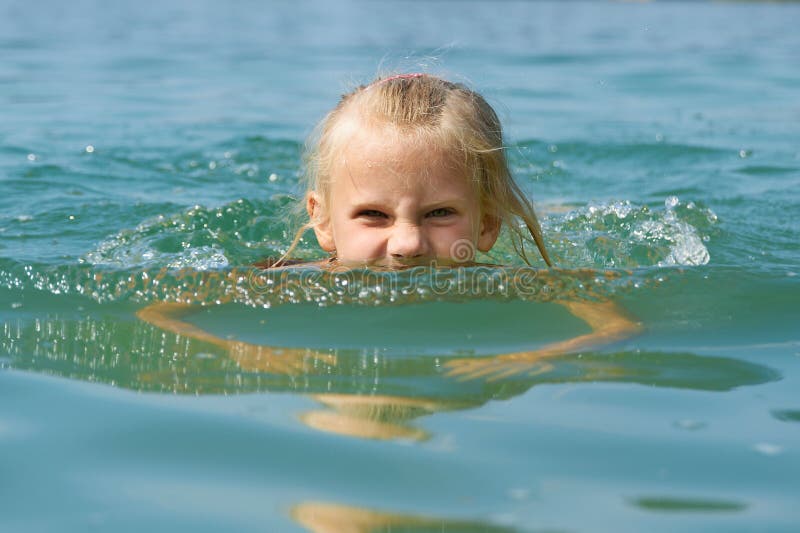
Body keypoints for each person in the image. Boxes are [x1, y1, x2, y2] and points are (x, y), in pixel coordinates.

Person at [137, 73, 642, 385]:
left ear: (488, 224)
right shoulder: (287, 279)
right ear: (323, 221)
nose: (407, 244)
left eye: (439, 214)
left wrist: (536, 358)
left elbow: (620, 327)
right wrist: (244, 348)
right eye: (373, 216)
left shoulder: (507, 281)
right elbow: (157, 312)